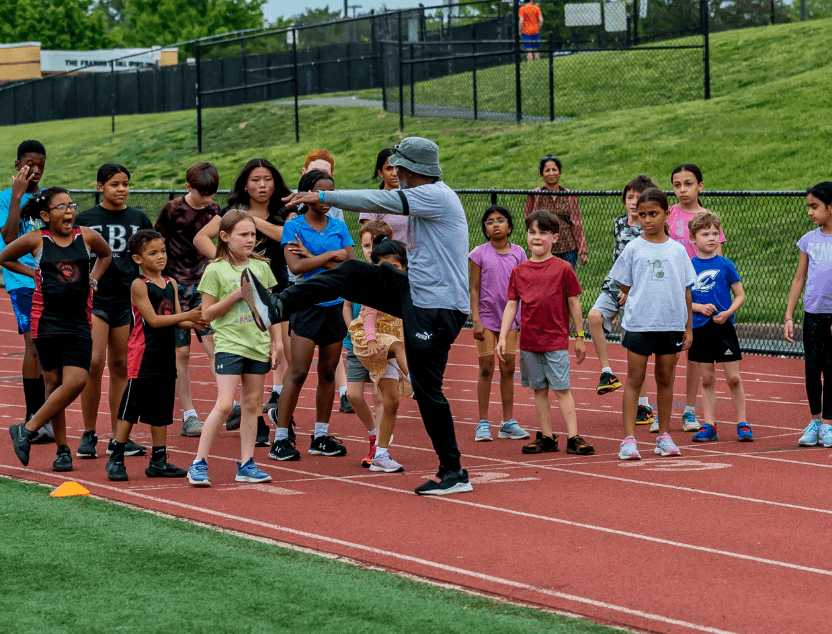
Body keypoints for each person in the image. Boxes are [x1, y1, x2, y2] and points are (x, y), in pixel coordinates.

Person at [242, 137, 473, 496]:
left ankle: (453, 471)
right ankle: (277, 307)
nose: (394, 172)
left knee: (428, 391)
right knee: (351, 270)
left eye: (399, 167)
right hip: (415, 292)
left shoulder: (436, 195)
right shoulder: (425, 194)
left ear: (414, 170)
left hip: (438, 308)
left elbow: (377, 199)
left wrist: (323, 197)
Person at [3, 188, 112, 471]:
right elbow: (4, 257)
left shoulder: (86, 236)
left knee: (76, 380)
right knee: (52, 384)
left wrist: (94, 280)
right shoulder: (37, 239)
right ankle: (62, 450)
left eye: (71, 205)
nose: (68, 211)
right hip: (46, 320)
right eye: (61, 207)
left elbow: (106, 254)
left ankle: (26, 429)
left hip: (78, 320)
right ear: (45, 215)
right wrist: (33, 273)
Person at [194, 158, 291, 445]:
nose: (262, 185)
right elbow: (201, 237)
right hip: (239, 289)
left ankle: (278, 410)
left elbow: (287, 236)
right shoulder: (230, 213)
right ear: (245, 184)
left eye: (267, 179)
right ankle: (258, 420)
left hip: (274, 283)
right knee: (246, 346)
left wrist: (253, 221)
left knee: (280, 350)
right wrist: (223, 261)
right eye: (255, 180)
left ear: (275, 182)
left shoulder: (284, 209)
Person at [265, 169, 355, 463]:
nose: (326, 198)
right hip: (305, 306)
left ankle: (320, 436)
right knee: (299, 372)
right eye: (320, 192)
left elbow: (350, 269)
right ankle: (280, 439)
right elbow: (296, 268)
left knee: (328, 373)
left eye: (330, 191)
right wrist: (331, 257)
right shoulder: (294, 227)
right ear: (307, 195)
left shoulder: (339, 226)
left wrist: (313, 257)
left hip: (334, 307)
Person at [187, 209, 281, 487]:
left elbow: (270, 309)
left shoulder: (262, 268)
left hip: (257, 343)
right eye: (244, 234)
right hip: (229, 344)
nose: (250, 239)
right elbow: (206, 314)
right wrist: (237, 295)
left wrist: (277, 343)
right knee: (226, 404)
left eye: (253, 234)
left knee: (252, 406)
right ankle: (198, 463)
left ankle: (247, 464)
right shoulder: (215, 269)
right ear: (225, 237)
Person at [105, 230, 206, 481]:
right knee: (132, 406)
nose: (161, 256)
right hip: (143, 355)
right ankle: (116, 456)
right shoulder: (139, 285)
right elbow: (153, 320)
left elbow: (179, 319)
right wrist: (187, 317)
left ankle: (158, 461)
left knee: (162, 409)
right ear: (138, 259)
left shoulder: (170, 283)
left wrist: (200, 319)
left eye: (162, 251)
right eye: (153, 253)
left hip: (164, 356)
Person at [496, 210, 594, 456]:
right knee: (539, 390)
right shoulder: (519, 271)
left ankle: (573, 437)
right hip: (529, 342)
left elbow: (574, 303)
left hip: (556, 341)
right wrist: (502, 336)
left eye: (543, 233)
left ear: (555, 238)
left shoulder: (563, 269)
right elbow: (511, 305)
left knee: (562, 389)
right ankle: (547, 437)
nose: (537, 237)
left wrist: (580, 337)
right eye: (532, 232)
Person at [610, 188, 696, 460]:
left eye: (653, 214)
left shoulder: (678, 250)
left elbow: (686, 290)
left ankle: (664, 436)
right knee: (634, 379)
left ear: (667, 214)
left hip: (670, 324)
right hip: (639, 323)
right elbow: (625, 283)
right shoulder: (633, 248)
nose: (647, 220)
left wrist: (688, 327)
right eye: (642, 214)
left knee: (665, 380)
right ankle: (629, 439)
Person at [75, 164, 153, 459]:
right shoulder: (85, 219)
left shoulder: (138, 218)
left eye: (125, 184)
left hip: (126, 301)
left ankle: (118, 437)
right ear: (100, 187)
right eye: (114, 184)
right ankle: (88, 433)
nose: (121, 189)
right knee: (94, 363)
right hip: (96, 300)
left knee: (121, 366)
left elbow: (151, 255)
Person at [155, 161, 220, 438]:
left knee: (213, 345)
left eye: (211, 193)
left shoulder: (215, 210)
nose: (207, 199)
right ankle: (189, 415)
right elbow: (157, 242)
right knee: (181, 352)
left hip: (204, 284)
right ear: (188, 186)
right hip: (175, 285)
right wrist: (160, 280)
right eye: (201, 193)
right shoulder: (172, 209)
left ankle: (230, 404)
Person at [588, 175, 657, 427]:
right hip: (614, 285)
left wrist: (633, 291)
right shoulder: (618, 223)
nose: (633, 202)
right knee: (594, 317)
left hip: (638, 291)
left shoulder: (651, 227)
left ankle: (645, 404)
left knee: (635, 350)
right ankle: (607, 373)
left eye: (638, 198)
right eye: (629, 197)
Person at [667, 163, 726, 434]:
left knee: (693, 354)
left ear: (700, 185)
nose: (682, 189)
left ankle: (690, 411)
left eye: (688, 183)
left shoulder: (708, 218)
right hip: (668, 290)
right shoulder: (667, 216)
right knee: (666, 353)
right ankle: (662, 410)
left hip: (698, 295)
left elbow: (718, 260)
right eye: (677, 185)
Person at [348, 234, 413, 473]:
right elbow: (369, 316)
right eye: (383, 266)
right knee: (396, 345)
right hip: (372, 340)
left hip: (395, 344)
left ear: (404, 267)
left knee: (392, 402)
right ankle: (418, 383)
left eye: (395, 266)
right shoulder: (375, 287)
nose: (389, 271)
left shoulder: (408, 287)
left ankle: (381, 455)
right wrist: (373, 340)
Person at [686, 212, 752, 443]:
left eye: (715, 233)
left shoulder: (726, 265)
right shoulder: (688, 266)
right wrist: (698, 307)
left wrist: (728, 313)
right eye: (705, 234)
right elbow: (681, 299)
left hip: (724, 328)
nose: (711, 238)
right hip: (700, 328)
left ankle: (743, 423)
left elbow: (740, 295)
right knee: (707, 379)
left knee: (734, 378)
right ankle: (709, 424)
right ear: (693, 238)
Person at [0, 141, 48, 443]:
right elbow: (7, 237)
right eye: (31, 164)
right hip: (23, 282)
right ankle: (33, 416)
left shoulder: (48, 197)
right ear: (18, 166)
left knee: (52, 348)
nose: (37, 170)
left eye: (42, 164)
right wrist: (18, 196)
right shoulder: (5, 198)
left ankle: (44, 416)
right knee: (34, 344)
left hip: (54, 281)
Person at [469, 205, 529, 442]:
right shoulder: (478, 254)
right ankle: (483, 422)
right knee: (486, 368)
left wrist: (522, 317)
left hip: (510, 321)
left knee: (508, 369)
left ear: (510, 227)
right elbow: (474, 288)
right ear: (485, 229)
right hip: (485, 318)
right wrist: (475, 319)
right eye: (490, 221)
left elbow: (524, 289)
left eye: (501, 220)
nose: (495, 224)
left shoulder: (519, 254)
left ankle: (507, 422)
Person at [300, 148, 353, 414]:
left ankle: (343, 396)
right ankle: (280, 412)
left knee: (329, 363)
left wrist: (317, 256)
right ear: (304, 174)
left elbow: (347, 258)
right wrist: (324, 256)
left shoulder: (335, 210)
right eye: (313, 171)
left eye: (326, 173)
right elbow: (297, 264)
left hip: (332, 288)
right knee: (296, 365)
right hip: (300, 292)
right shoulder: (294, 214)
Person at [339, 221, 392, 468]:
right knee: (354, 395)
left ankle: (380, 448)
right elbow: (347, 305)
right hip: (356, 344)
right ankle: (374, 433)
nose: (371, 250)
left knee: (380, 398)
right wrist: (352, 328)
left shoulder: (394, 274)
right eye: (366, 245)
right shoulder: (358, 273)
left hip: (383, 346)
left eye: (377, 244)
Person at [785, 182, 832, 449]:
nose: (810, 212)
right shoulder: (808, 240)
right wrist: (789, 315)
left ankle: (828, 424)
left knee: (831, 368)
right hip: (813, 315)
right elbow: (798, 279)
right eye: (808, 207)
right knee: (812, 368)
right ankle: (815, 421)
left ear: (831, 206)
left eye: (815, 207)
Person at [524, 155, 587, 268]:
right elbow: (528, 222)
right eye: (547, 170)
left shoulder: (569, 195)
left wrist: (582, 250)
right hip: (544, 246)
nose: (551, 173)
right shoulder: (535, 195)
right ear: (541, 174)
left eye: (554, 169)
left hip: (568, 248)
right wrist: (531, 245)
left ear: (560, 173)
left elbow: (577, 223)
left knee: (565, 282)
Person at [359, 148, 408, 243]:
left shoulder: (414, 198)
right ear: (380, 173)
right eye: (389, 168)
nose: (395, 173)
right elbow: (370, 239)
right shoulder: (373, 200)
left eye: (398, 168)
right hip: (387, 256)